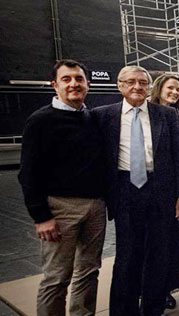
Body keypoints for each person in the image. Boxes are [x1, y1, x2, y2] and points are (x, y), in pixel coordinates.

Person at [92, 65, 179, 316]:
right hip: (125, 192)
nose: (137, 86)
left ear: (149, 87)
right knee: (127, 256)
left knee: (158, 255)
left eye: (142, 82)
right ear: (120, 85)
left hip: (160, 191)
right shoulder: (102, 116)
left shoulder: (165, 115)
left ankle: (153, 309)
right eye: (131, 82)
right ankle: (123, 311)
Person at [18, 59, 106, 316]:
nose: (73, 84)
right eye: (66, 79)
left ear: (87, 84)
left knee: (89, 271)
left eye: (79, 79)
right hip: (59, 209)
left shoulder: (92, 118)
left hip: (95, 206)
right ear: (54, 85)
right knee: (57, 277)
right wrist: (41, 217)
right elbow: (28, 173)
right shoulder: (41, 120)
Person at [149, 73, 179, 309]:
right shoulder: (146, 113)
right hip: (146, 191)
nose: (174, 92)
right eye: (170, 87)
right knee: (150, 243)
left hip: (168, 190)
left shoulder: (173, 115)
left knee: (170, 243)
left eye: (178, 89)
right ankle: (151, 289)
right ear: (159, 88)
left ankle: (166, 289)